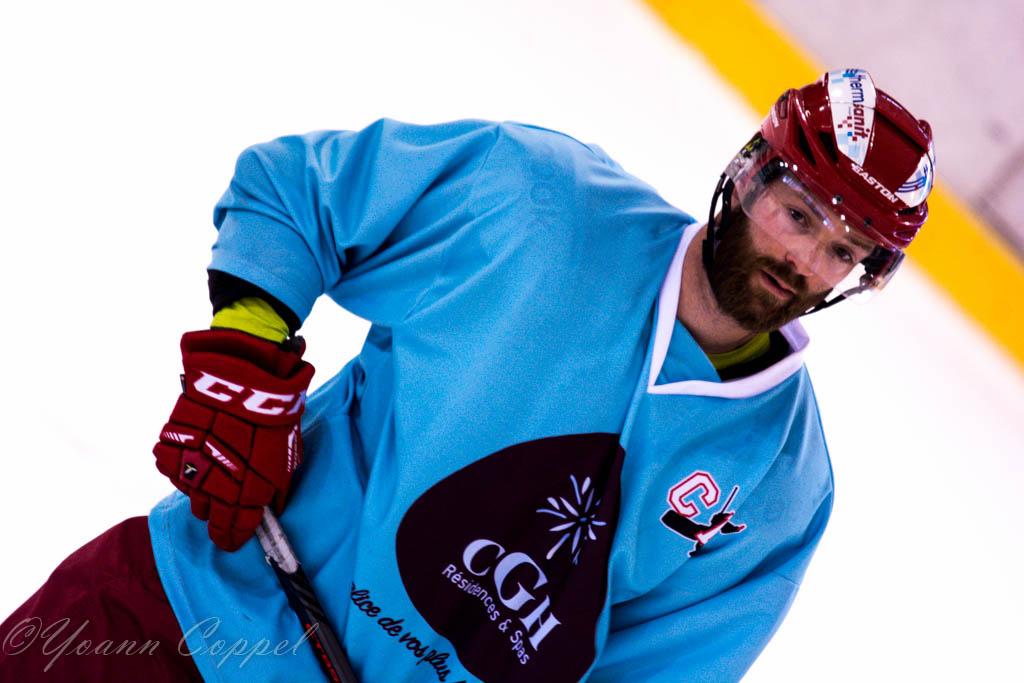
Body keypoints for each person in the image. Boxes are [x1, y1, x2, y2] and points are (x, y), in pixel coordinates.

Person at [0, 68, 934, 682]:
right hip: (185, 613)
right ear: (749, 173)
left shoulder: (782, 490)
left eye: (843, 251)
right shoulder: (538, 204)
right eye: (799, 215)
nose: (804, 261)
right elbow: (297, 193)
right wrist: (247, 355)